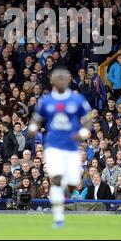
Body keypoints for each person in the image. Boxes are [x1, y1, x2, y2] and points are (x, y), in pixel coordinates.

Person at [29, 67, 91, 228]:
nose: (61, 80)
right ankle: (58, 218)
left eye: (64, 77)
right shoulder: (46, 101)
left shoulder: (77, 100)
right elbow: (36, 119)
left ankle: (66, 190)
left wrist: (83, 132)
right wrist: (33, 128)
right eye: (58, 77)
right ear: (52, 80)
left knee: (72, 181)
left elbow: (88, 121)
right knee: (55, 180)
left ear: (68, 80)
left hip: (72, 147)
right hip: (53, 146)